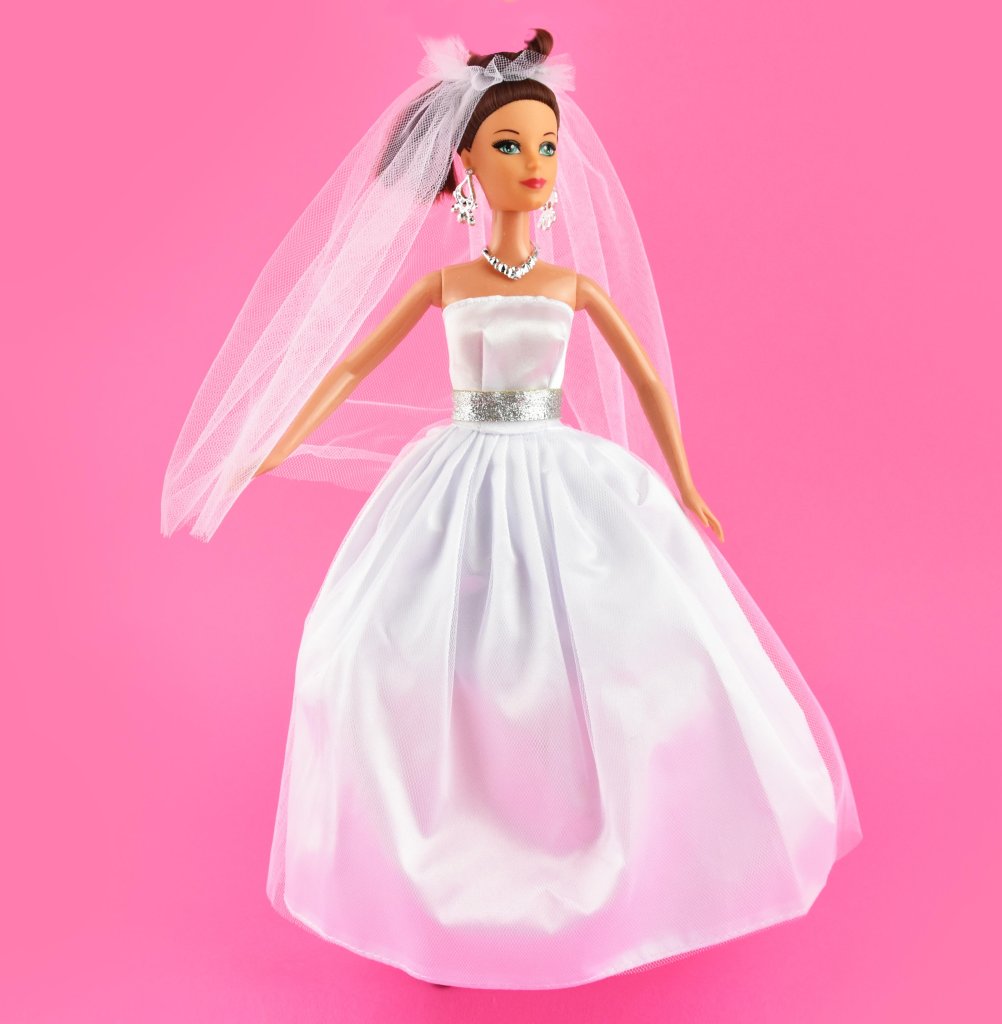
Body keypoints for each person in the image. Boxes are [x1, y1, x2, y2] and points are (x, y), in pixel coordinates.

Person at [161, 29, 862, 990]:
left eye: (546, 146)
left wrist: (685, 479)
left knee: (609, 658)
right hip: (457, 481)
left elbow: (645, 378)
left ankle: (617, 871)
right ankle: (443, 890)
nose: (533, 163)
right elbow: (351, 364)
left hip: (559, 480)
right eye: (508, 145)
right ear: (465, 164)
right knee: (391, 654)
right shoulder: (444, 286)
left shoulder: (574, 288)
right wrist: (274, 441)